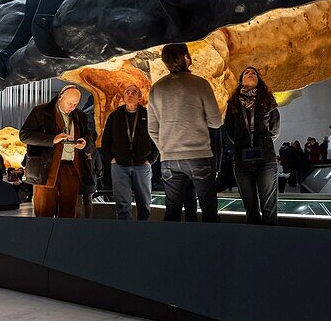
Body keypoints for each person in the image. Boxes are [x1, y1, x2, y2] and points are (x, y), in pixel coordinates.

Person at [148, 43, 223, 223]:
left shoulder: (156, 88)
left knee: (172, 212)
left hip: (169, 160)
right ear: (186, 58)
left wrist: (166, 148)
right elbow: (216, 121)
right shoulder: (200, 84)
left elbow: (152, 128)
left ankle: (172, 249)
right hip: (199, 156)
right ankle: (211, 249)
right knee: (209, 211)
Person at [19, 85, 95, 218]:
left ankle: (66, 237)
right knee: (44, 211)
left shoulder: (80, 116)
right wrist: (52, 139)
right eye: (69, 103)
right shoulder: (41, 111)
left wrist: (85, 143)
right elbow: (25, 135)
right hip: (46, 168)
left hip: (71, 168)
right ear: (60, 97)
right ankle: (43, 238)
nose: (72, 107)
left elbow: (89, 138)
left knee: (69, 212)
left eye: (75, 104)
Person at [224, 66, 281, 225]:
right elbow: (229, 129)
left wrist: (262, 143)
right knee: (251, 210)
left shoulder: (267, 99)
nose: (250, 74)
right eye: (246, 73)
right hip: (242, 162)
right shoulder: (233, 102)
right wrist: (243, 143)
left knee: (269, 209)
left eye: (253, 73)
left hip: (266, 161)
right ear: (241, 79)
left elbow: (275, 129)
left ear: (258, 79)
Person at [101, 83, 156, 220]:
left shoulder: (148, 115)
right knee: (122, 205)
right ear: (123, 96)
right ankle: (124, 235)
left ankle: (143, 233)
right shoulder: (115, 116)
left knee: (144, 204)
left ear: (139, 97)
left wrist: (151, 159)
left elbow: (157, 138)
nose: (130, 94)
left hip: (142, 165)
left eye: (134, 92)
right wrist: (112, 159)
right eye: (127, 92)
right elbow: (106, 141)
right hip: (119, 165)